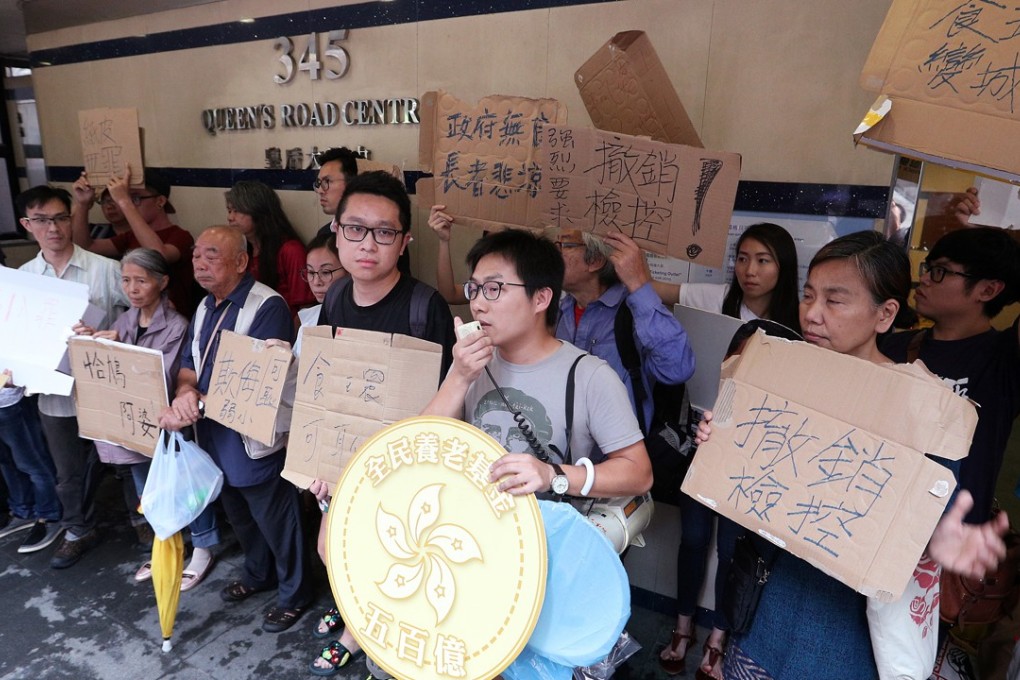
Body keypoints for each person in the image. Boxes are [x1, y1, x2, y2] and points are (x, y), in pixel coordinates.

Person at [694, 231, 1008, 680]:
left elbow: (928, 527)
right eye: (808, 295)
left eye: (834, 300)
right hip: (765, 619)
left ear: (886, 314)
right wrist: (721, 443)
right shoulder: (781, 373)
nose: (812, 314)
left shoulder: (922, 407)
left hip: (844, 645)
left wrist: (941, 544)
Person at [308, 170, 455, 676]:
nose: (367, 244)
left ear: (404, 240)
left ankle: (363, 633)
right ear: (336, 231)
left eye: (384, 232)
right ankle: (355, 618)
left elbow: (447, 400)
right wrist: (321, 459)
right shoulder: (335, 297)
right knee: (333, 549)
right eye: (355, 229)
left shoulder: (423, 307)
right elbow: (326, 385)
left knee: (388, 559)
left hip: (400, 471)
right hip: (343, 460)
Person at [660, 222, 801, 678]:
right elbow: (653, 290)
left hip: (757, 452)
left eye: (763, 260)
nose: (749, 270)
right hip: (705, 438)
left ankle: (718, 638)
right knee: (694, 538)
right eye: (742, 258)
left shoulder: (797, 321)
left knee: (730, 547)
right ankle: (683, 628)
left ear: (783, 266)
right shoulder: (714, 299)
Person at [422, 227, 652, 499]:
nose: (478, 304)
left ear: (541, 298)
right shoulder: (470, 363)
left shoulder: (591, 376)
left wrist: (552, 475)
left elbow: (639, 474)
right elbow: (422, 445)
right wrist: (459, 376)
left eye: (494, 289)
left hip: (544, 533)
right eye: (475, 288)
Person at [158, 226, 310, 633]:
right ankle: (260, 575)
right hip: (212, 431)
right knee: (239, 512)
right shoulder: (206, 305)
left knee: (274, 514)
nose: (199, 263)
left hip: (251, 432)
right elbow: (189, 367)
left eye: (211, 255)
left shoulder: (267, 306)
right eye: (195, 255)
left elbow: (259, 381)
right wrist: (184, 393)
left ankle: (295, 592)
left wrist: (195, 402)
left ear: (241, 262)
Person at [78, 248, 218, 589]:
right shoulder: (124, 320)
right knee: (149, 492)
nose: (133, 288)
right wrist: (98, 341)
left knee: (185, 488)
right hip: (134, 426)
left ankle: (203, 547)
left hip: (166, 423)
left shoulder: (176, 324)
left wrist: (120, 348)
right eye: (126, 280)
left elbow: (164, 374)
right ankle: (166, 546)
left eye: (141, 280)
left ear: (162, 282)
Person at [18, 185, 128, 569]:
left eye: (61, 218)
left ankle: (145, 521)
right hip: (54, 393)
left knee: (126, 460)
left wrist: (115, 333)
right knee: (66, 468)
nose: (53, 228)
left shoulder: (107, 270)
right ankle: (78, 529)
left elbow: (141, 313)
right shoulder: (24, 278)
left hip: (106, 385)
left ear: (72, 218)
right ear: (27, 225)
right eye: (42, 220)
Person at [880, 227, 1020, 525]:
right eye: (928, 268)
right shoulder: (891, 346)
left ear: (988, 290)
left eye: (941, 271)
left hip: (953, 543)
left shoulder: (1006, 359)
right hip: (882, 520)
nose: (925, 278)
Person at [71, 165, 196, 316]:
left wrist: (124, 201)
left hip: (172, 323)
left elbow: (157, 256)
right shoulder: (131, 236)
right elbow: (85, 247)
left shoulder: (180, 236)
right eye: (128, 198)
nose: (129, 204)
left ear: (160, 201)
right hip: (139, 320)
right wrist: (82, 205)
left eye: (135, 198)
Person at [225, 180, 314, 318]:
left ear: (257, 210)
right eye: (229, 210)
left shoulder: (290, 250)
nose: (230, 217)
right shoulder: (241, 250)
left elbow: (306, 310)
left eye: (237, 211)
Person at [0, 361, 62, 553]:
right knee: (6, 462)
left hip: (10, 397)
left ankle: (51, 514)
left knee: (33, 462)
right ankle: (23, 510)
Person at [294, 231, 345, 357]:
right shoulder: (306, 321)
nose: (316, 282)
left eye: (326, 272)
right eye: (311, 272)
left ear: (349, 270)